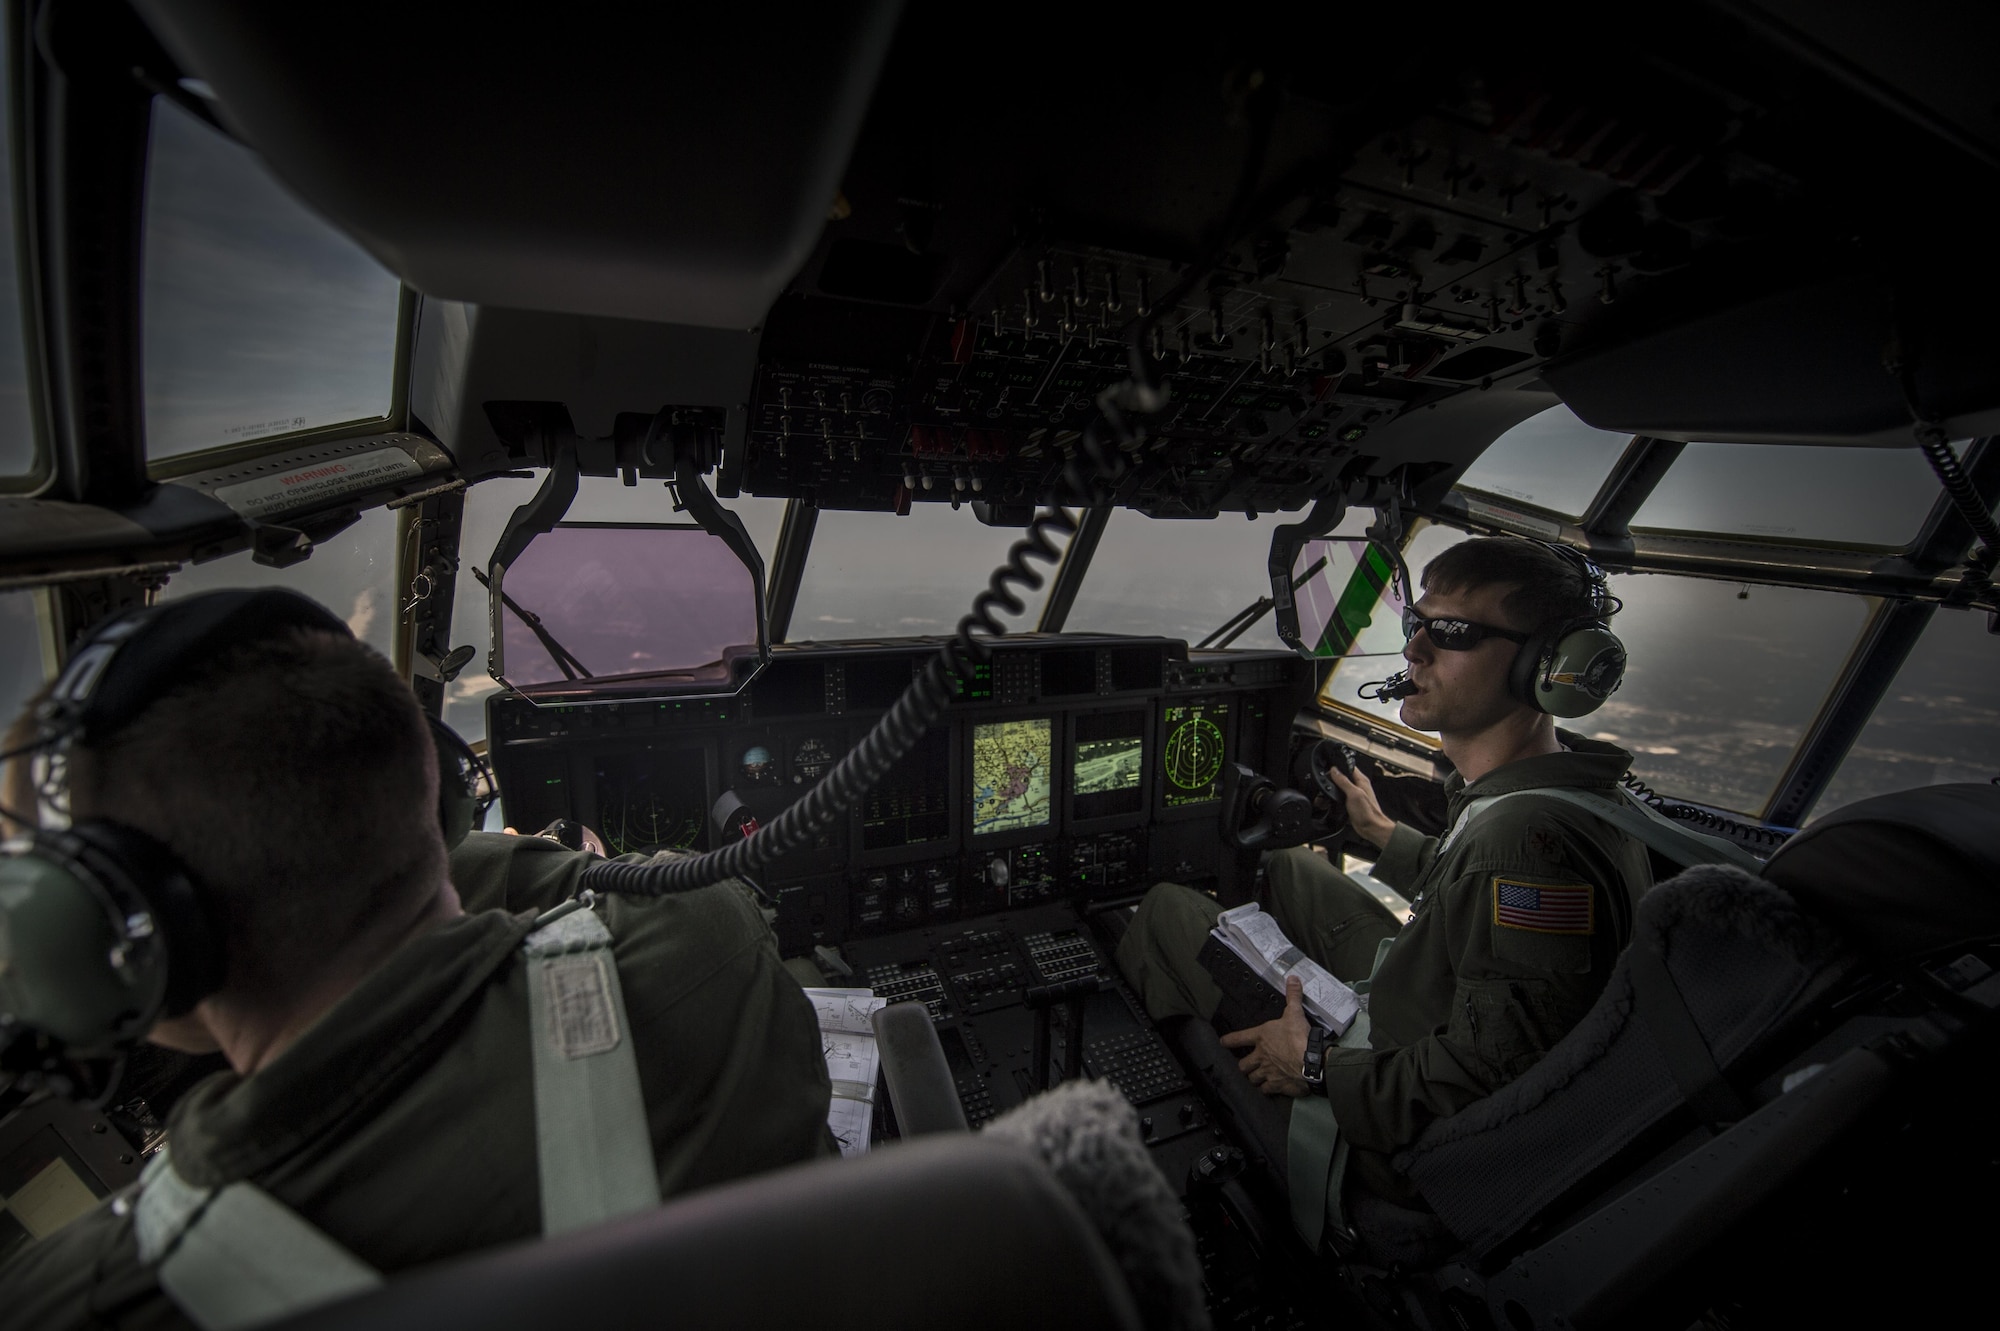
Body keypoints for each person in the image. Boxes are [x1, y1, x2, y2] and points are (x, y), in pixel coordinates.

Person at [0, 595, 833, 1329]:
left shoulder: (79, 1299)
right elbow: (656, 881)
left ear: (115, 912)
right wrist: (406, 845)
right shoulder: (705, 939)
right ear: (436, 802)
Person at [1116, 537, 1652, 1211]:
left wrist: (1311, 1064)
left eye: (1451, 632)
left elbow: (1487, 1081)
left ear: (1547, 667)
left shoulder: (1528, 850)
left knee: (1166, 907)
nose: (1414, 651)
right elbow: (1468, 897)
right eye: (1415, 624)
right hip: (1419, 1006)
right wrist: (1381, 835)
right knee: (1282, 865)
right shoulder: (1550, 795)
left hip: (1395, 1130)